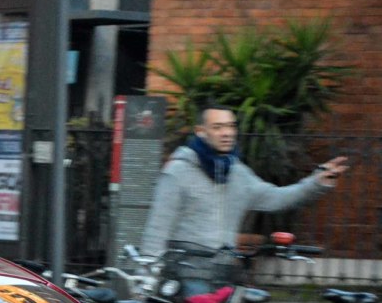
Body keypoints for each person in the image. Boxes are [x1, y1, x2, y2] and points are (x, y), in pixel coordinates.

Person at [141, 103, 349, 257]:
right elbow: (157, 228)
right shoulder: (178, 171)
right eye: (218, 127)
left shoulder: (237, 173)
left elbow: (276, 198)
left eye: (231, 126)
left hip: (224, 271)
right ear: (201, 132)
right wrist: (146, 279)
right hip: (185, 271)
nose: (227, 133)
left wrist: (317, 181)